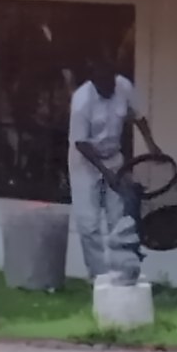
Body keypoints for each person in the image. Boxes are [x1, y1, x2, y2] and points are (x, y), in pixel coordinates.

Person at [68, 66, 144, 278]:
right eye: (104, 86)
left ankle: (120, 272)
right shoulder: (82, 101)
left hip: (113, 156)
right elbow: (81, 143)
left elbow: (137, 117)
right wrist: (105, 172)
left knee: (118, 218)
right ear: (94, 82)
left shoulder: (124, 86)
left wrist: (151, 144)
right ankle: (99, 277)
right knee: (89, 223)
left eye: (111, 84)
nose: (109, 89)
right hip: (85, 161)